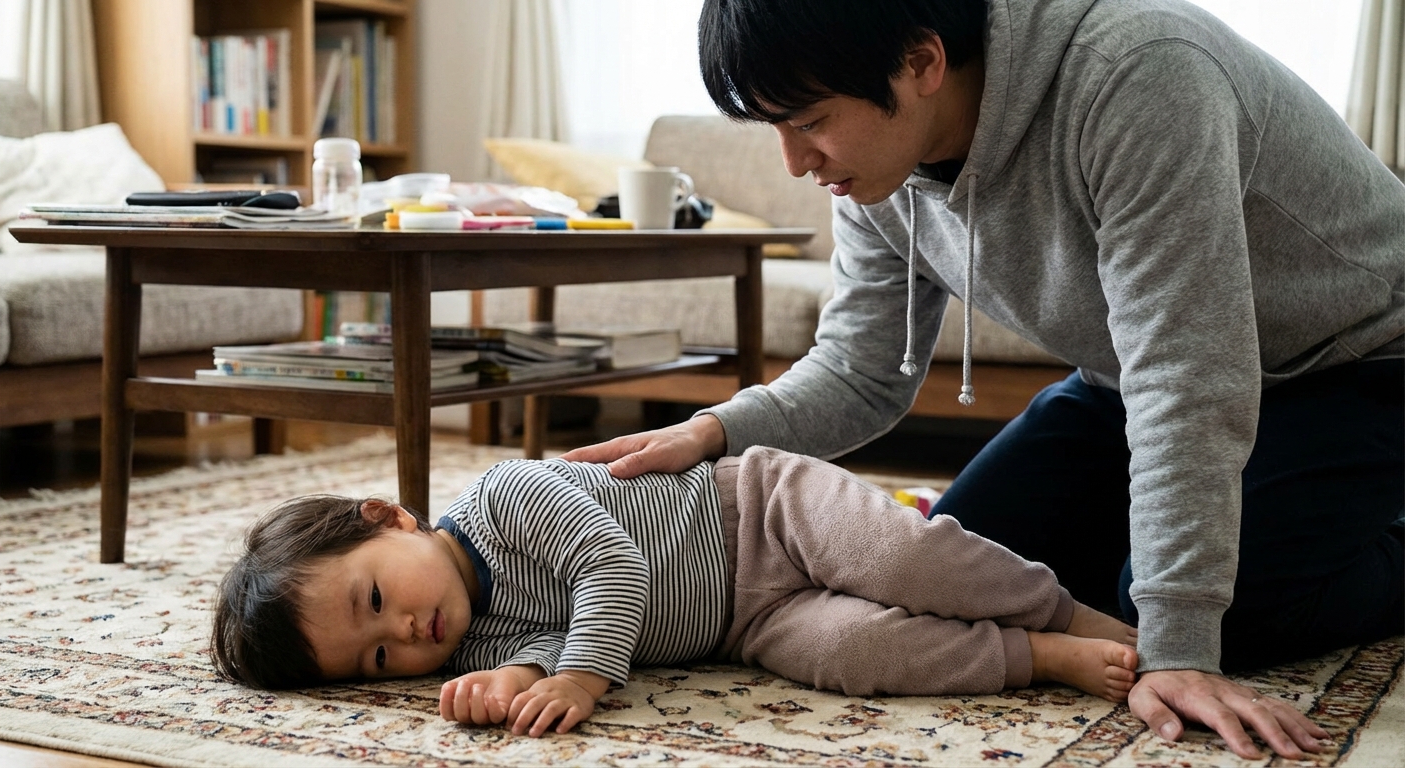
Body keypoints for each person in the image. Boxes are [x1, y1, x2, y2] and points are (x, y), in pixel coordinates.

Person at [560, 0, 1404, 761]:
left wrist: (1182, 643)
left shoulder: (1142, 74)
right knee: (968, 572)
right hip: (1124, 379)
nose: (794, 162)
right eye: (774, 129)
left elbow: (1187, 378)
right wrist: (712, 432)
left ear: (923, 63)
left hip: (1360, 358)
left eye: (810, 121)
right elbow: (861, 370)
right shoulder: (871, 171)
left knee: (1207, 614)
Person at [211, 448, 1139, 737]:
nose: (408, 633)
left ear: (392, 517)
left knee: (904, 561)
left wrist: (577, 680)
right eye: (379, 657)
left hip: (759, 513)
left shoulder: (504, 497)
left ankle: (1078, 615)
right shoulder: (465, 637)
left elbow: (611, 568)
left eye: (377, 601)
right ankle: (1037, 655)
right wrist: (511, 684)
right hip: (747, 621)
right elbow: (530, 652)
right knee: (852, 655)